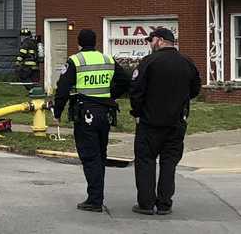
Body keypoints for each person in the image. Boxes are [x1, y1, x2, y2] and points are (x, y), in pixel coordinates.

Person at [53, 29, 130, 213]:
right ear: (95, 42)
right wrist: (110, 95)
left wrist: (57, 112)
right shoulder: (108, 59)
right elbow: (126, 81)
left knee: (90, 156)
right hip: (105, 114)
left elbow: (62, 89)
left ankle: (95, 200)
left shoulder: (75, 60)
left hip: (85, 113)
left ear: (79, 43)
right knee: (100, 155)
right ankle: (97, 196)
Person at [129, 27, 200, 216]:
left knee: (145, 162)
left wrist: (137, 112)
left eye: (151, 40)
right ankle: (164, 204)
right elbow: (195, 90)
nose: (150, 44)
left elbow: (136, 91)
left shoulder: (148, 62)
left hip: (149, 123)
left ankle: (145, 204)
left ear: (159, 40)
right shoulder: (187, 62)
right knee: (169, 163)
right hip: (176, 123)